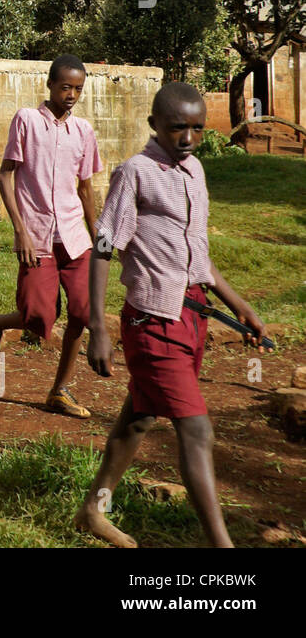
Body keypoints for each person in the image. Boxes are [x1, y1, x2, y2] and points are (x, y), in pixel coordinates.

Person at [75, 83, 265, 548]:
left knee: (139, 418)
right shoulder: (134, 173)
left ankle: (92, 511)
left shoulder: (196, 171)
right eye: (178, 126)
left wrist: (239, 304)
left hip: (192, 318)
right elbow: (103, 249)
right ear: (154, 125)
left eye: (198, 128)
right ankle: (222, 547)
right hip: (150, 322)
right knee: (196, 427)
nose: (188, 137)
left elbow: (197, 254)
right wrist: (97, 326)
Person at [0, 54, 103, 419]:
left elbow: (85, 188)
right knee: (37, 316)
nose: (71, 95)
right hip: (36, 235)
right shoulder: (27, 120)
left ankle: (60, 390)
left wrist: (96, 234)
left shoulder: (83, 131)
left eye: (78, 89)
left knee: (82, 311)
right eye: (65, 87)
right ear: (50, 84)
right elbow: (6, 176)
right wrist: (20, 230)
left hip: (74, 238)